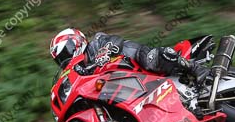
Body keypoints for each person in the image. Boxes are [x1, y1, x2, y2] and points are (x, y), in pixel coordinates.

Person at [49, 28, 209, 82]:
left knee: (150, 60)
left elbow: (116, 41)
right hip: (133, 83)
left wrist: (106, 52)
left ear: (75, 43)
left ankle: (196, 69)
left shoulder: (97, 42)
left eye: (65, 54)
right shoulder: (83, 71)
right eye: (60, 59)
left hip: (137, 59)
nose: (65, 60)